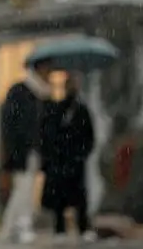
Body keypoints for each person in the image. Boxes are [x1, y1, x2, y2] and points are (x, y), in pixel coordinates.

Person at [0, 58, 53, 244]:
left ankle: (10, 227)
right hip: (21, 151)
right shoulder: (20, 92)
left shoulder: (44, 96)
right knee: (23, 190)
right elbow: (10, 123)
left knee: (26, 190)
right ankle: (21, 225)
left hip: (35, 152)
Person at [41, 73, 96, 243]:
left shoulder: (82, 110)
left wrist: (82, 153)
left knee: (79, 197)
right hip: (61, 160)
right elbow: (49, 134)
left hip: (75, 160)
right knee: (61, 196)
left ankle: (83, 227)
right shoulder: (57, 109)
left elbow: (89, 136)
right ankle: (60, 229)